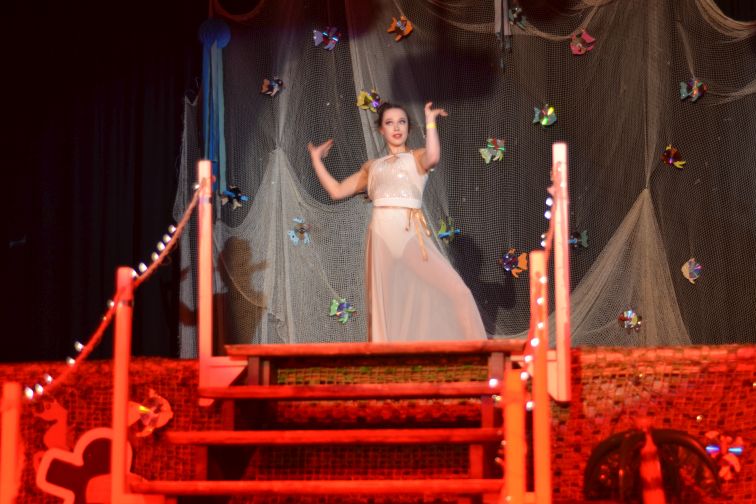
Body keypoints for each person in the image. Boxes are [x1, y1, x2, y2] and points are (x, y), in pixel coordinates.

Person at [308, 102, 486, 342]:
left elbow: (433, 156)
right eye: (389, 123)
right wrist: (316, 159)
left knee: (458, 291)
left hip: (409, 234)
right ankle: (385, 359)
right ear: (381, 130)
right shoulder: (373, 167)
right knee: (383, 307)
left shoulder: (417, 156)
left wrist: (430, 121)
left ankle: (476, 352)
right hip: (380, 236)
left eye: (402, 122)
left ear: (408, 128)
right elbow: (337, 191)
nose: (396, 127)